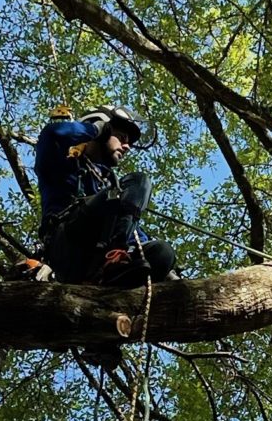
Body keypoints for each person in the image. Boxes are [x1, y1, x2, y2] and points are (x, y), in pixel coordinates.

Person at [29, 106, 180, 288]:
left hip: (98, 259)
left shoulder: (109, 183)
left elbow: (133, 232)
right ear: (104, 129)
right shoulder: (61, 158)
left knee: (163, 252)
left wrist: (169, 272)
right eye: (122, 138)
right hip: (68, 242)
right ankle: (116, 255)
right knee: (134, 183)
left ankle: (113, 271)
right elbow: (53, 133)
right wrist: (96, 129)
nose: (127, 147)